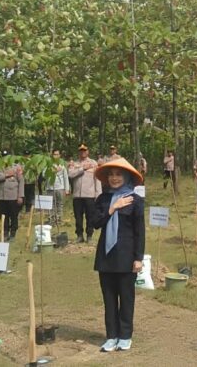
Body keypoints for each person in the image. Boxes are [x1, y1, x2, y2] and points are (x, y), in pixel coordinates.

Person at [89, 158, 145, 353]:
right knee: (109, 299)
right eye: (111, 174)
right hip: (106, 256)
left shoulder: (136, 201)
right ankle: (111, 336)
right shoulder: (102, 200)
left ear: (127, 176)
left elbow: (140, 232)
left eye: (118, 174)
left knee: (126, 298)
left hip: (126, 257)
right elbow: (95, 223)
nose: (114, 178)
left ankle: (125, 336)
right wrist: (112, 208)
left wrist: (138, 258)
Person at [69, 144, 102, 243]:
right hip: (77, 196)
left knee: (90, 216)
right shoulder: (74, 164)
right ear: (79, 152)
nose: (82, 152)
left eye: (84, 150)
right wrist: (82, 169)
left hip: (90, 195)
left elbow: (98, 179)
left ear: (88, 152)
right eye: (81, 151)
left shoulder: (93, 163)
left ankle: (89, 235)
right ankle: (79, 235)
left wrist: (98, 194)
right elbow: (70, 175)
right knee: (78, 217)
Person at [0, 150, 25, 241]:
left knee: (13, 215)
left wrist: (20, 196)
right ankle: (5, 232)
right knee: (3, 215)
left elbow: (21, 182)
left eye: (7, 156)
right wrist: (7, 175)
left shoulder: (17, 167)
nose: (5, 158)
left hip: (13, 196)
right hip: (2, 197)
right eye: (3, 156)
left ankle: (13, 233)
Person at [46, 149, 70, 227]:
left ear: (59, 155)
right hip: (50, 187)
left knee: (59, 204)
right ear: (52, 155)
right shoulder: (48, 163)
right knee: (50, 205)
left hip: (60, 187)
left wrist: (67, 189)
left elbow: (66, 177)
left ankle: (59, 219)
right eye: (54, 154)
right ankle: (51, 220)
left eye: (57, 154)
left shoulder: (62, 164)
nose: (56, 156)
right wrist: (52, 171)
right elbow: (44, 174)